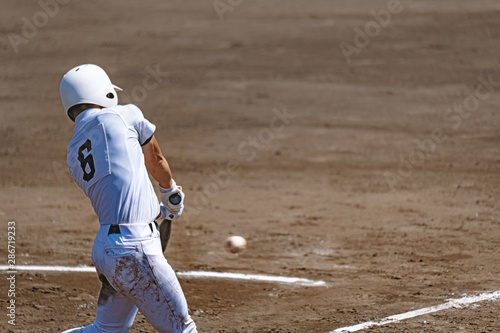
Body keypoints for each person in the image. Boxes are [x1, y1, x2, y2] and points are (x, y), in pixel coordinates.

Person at [59, 64, 197, 333]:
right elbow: (155, 160)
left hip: (107, 250)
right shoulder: (125, 115)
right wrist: (170, 192)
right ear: (104, 93)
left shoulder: (73, 152)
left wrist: (158, 211)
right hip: (134, 247)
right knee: (183, 329)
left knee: (106, 331)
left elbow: (118, 189)